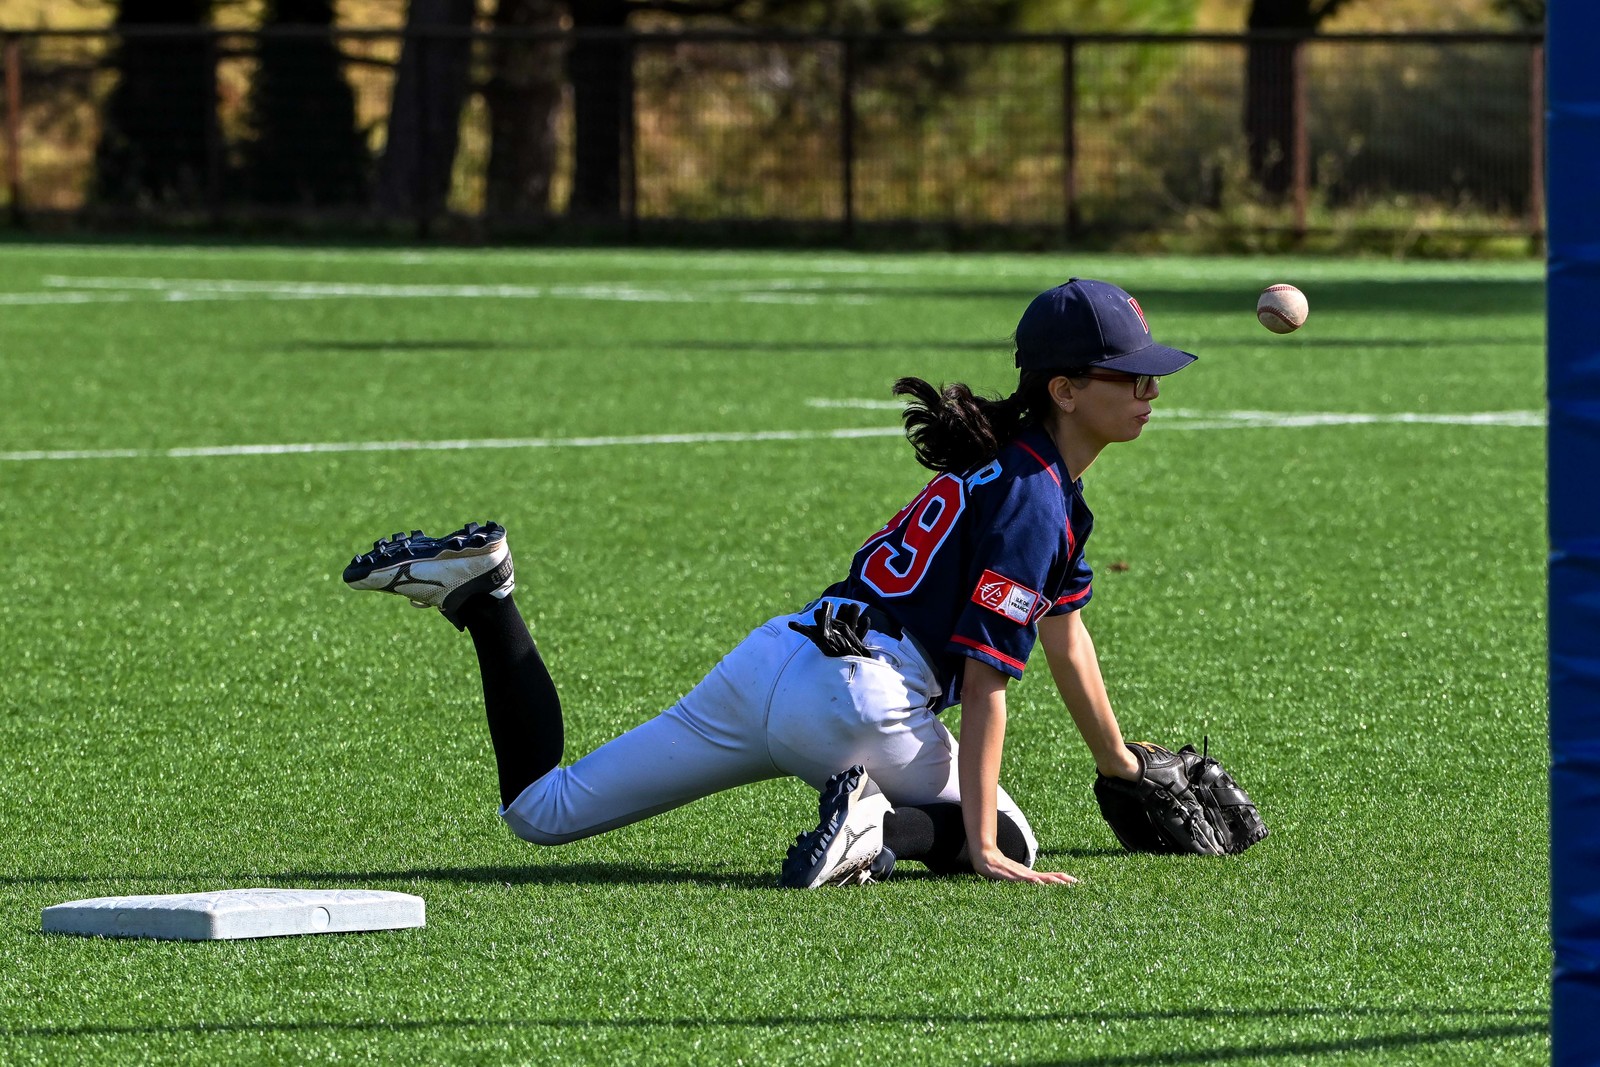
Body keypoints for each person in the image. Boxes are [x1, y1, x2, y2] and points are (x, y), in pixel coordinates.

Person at [343, 277, 1197, 888]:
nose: (1150, 387)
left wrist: (1119, 763)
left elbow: (1066, 633)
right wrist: (981, 842)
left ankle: (486, 598)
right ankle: (874, 825)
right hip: (862, 704)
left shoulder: (1028, 481)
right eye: (1129, 373)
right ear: (1066, 388)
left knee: (540, 811)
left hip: (773, 660)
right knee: (1011, 829)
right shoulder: (1036, 502)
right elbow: (984, 683)